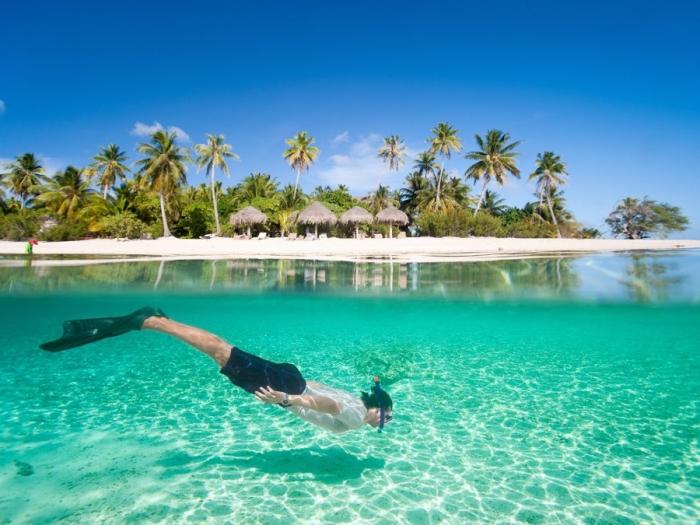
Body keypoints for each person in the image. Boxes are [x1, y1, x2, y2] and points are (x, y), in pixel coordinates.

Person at [40, 307, 393, 434]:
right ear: (375, 409)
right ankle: (149, 320)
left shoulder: (357, 404)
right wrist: (287, 398)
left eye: (383, 422)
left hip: (293, 380)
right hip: (288, 387)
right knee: (223, 353)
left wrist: (294, 388)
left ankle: (159, 320)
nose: (380, 422)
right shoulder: (355, 414)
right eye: (384, 418)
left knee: (224, 352)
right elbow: (327, 406)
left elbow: (322, 390)